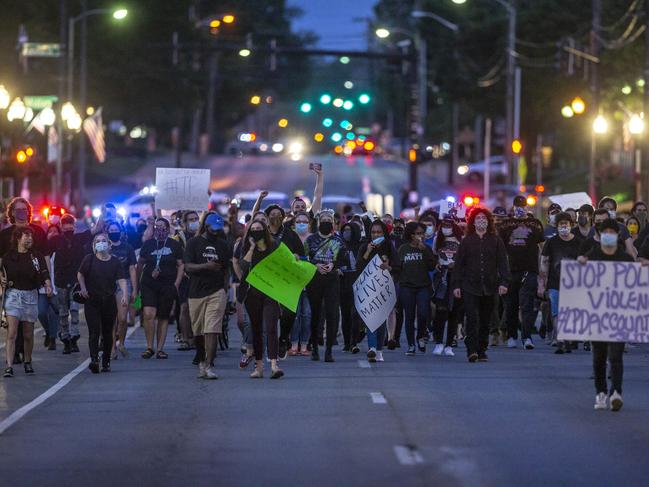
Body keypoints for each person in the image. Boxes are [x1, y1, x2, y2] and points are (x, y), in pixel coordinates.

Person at [579, 219, 634, 411]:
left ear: (618, 235)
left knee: (616, 355)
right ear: (599, 234)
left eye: (612, 231)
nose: (608, 234)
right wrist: (580, 267)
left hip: (618, 314)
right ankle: (601, 393)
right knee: (599, 356)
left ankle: (616, 392)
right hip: (597, 314)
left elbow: (634, 285)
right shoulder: (591, 257)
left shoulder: (626, 259)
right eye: (605, 231)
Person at [452, 208, 510, 363]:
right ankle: (471, 350)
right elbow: (459, 265)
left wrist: (504, 282)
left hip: (490, 286)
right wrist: (456, 285)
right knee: (472, 318)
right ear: (473, 221)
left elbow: (503, 263)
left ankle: (482, 349)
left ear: (489, 221)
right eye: (478, 218)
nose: (481, 221)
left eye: (484, 218)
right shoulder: (466, 241)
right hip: (470, 285)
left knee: (486, 319)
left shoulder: (496, 240)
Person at [0, 198, 51, 364]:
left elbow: (45, 257)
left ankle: (25, 349)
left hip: (31, 283)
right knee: (12, 320)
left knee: (29, 319)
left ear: (28, 211)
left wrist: (48, 280)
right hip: (10, 285)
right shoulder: (4, 234)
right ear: (12, 213)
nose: (21, 212)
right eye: (17, 209)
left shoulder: (38, 231)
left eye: (24, 209)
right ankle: (14, 352)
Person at [184, 212, 231, 380]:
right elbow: (188, 267)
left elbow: (226, 270)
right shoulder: (193, 243)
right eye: (213, 228)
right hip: (196, 292)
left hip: (216, 292)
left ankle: (210, 364)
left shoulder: (223, 245)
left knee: (212, 329)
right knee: (198, 331)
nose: (216, 231)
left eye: (219, 229)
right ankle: (201, 360)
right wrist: (206, 266)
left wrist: (225, 290)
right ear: (206, 226)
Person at [77, 233, 128, 373]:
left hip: (109, 300)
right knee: (94, 331)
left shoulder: (115, 262)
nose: (101, 243)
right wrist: (83, 287)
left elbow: (122, 279)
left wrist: (124, 294)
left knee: (107, 332)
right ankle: (94, 360)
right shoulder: (89, 259)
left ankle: (106, 361)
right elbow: (80, 274)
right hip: (92, 300)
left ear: (109, 244)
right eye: (98, 241)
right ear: (94, 245)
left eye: (103, 241)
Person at [239, 220, 284, 379]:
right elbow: (243, 267)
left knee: (271, 327)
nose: (256, 231)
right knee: (256, 329)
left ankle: (274, 365)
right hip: (252, 294)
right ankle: (258, 367)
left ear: (264, 230)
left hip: (271, 292)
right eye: (253, 229)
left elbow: (285, 263)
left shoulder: (275, 245)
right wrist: (251, 247)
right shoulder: (246, 247)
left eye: (259, 228)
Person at [499, 195, 544, 349]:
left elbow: (541, 247)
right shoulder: (505, 225)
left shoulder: (535, 224)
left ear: (527, 207)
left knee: (527, 303)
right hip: (511, 269)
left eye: (523, 205)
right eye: (517, 205)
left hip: (530, 269)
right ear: (513, 207)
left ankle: (527, 336)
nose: (520, 208)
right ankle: (512, 335)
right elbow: (500, 248)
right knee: (511, 304)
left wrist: (541, 270)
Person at [137, 217, 184, 359]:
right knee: (148, 314)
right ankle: (149, 347)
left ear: (168, 228)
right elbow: (140, 264)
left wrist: (176, 283)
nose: (160, 230)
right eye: (157, 227)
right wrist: (137, 284)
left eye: (163, 227)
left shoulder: (174, 245)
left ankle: (160, 349)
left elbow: (181, 264)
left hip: (167, 285)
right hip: (149, 284)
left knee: (163, 316)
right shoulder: (148, 244)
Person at [48, 213, 92, 354]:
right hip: (60, 280)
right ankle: (66, 339)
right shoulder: (55, 240)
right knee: (63, 312)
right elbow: (44, 253)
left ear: (74, 225)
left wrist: (104, 214)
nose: (68, 227)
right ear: (61, 226)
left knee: (74, 310)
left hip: (75, 280)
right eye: (65, 224)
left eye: (70, 224)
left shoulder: (79, 238)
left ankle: (73, 338)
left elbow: (95, 230)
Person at [304, 209, 345, 362]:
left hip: (332, 281)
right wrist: (315, 265)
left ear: (333, 223)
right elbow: (304, 259)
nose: (327, 221)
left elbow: (344, 260)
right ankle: (314, 346)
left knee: (332, 314)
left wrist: (333, 266)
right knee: (315, 314)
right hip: (315, 280)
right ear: (319, 222)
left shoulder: (338, 241)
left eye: (330, 219)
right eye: (324, 219)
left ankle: (329, 350)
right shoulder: (310, 240)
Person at [357, 220, 399, 362]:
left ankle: (379, 349)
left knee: (381, 321)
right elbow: (359, 266)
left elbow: (398, 267)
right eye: (373, 232)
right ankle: (372, 348)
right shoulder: (364, 247)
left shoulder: (389, 247)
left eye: (379, 232)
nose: (376, 235)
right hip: (368, 289)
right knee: (371, 319)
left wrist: (389, 268)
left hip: (384, 289)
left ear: (384, 233)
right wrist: (368, 251)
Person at [538, 212, 581, 353]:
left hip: (574, 284)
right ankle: (561, 339)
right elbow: (544, 261)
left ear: (571, 225)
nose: (563, 226)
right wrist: (542, 282)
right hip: (554, 283)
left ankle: (567, 338)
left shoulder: (578, 241)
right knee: (556, 312)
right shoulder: (551, 242)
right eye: (561, 224)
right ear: (556, 226)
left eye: (566, 224)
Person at [398, 221, 436, 356]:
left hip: (423, 286)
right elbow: (398, 267)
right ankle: (411, 345)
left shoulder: (426, 248)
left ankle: (420, 335)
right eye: (417, 234)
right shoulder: (403, 249)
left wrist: (424, 250)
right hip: (407, 286)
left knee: (423, 312)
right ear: (411, 234)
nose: (420, 236)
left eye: (421, 234)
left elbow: (432, 265)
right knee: (409, 315)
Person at [431, 216, 464, 357]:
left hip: (456, 277)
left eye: (448, 224)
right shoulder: (437, 239)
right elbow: (433, 255)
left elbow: (464, 258)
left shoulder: (460, 239)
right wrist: (437, 264)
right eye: (443, 224)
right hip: (442, 277)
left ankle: (450, 344)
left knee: (454, 312)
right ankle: (439, 342)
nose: (446, 227)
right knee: (440, 311)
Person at [106, 221, 138, 358]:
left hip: (124, 284)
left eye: (116, 229)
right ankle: (112, 346)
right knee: (111, 318)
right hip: (108, 284)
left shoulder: (128, 248)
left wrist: (135, 290)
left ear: (120, 232)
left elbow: (132, 268)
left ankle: (122, 343)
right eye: (111, 230)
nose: (114, 232)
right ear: (107, 232)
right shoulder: (105, 247)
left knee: (123, 318)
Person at [172, 210, 200, 352]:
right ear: (184, 223)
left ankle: (198, 338)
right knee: (184, 308)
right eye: (191, 219)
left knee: (197, 310)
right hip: (184, 278)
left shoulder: (203, 236)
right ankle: (186, 338)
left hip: (201, 277)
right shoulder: (178, 238)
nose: (194, 222)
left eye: (196, 219)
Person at [288, 211, 313, 356]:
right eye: (299, 221)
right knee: (294, 314)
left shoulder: (313, 239)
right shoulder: (290, 238)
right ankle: (293, 344)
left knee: (307, 314)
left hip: (309, 283)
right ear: (294, 224)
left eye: (304, 221)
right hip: (293, 282)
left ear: (309, 224)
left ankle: (304, 344)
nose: (301, 224)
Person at [339, 221, 362, 353]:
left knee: (355, 314)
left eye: (349, 230)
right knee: (345, 314)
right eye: (344, 230)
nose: (346, 233)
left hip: (357, 283)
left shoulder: (360, 246)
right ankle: (347, 343)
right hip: (343, 284)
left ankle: (354, 342)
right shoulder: (338, 246)